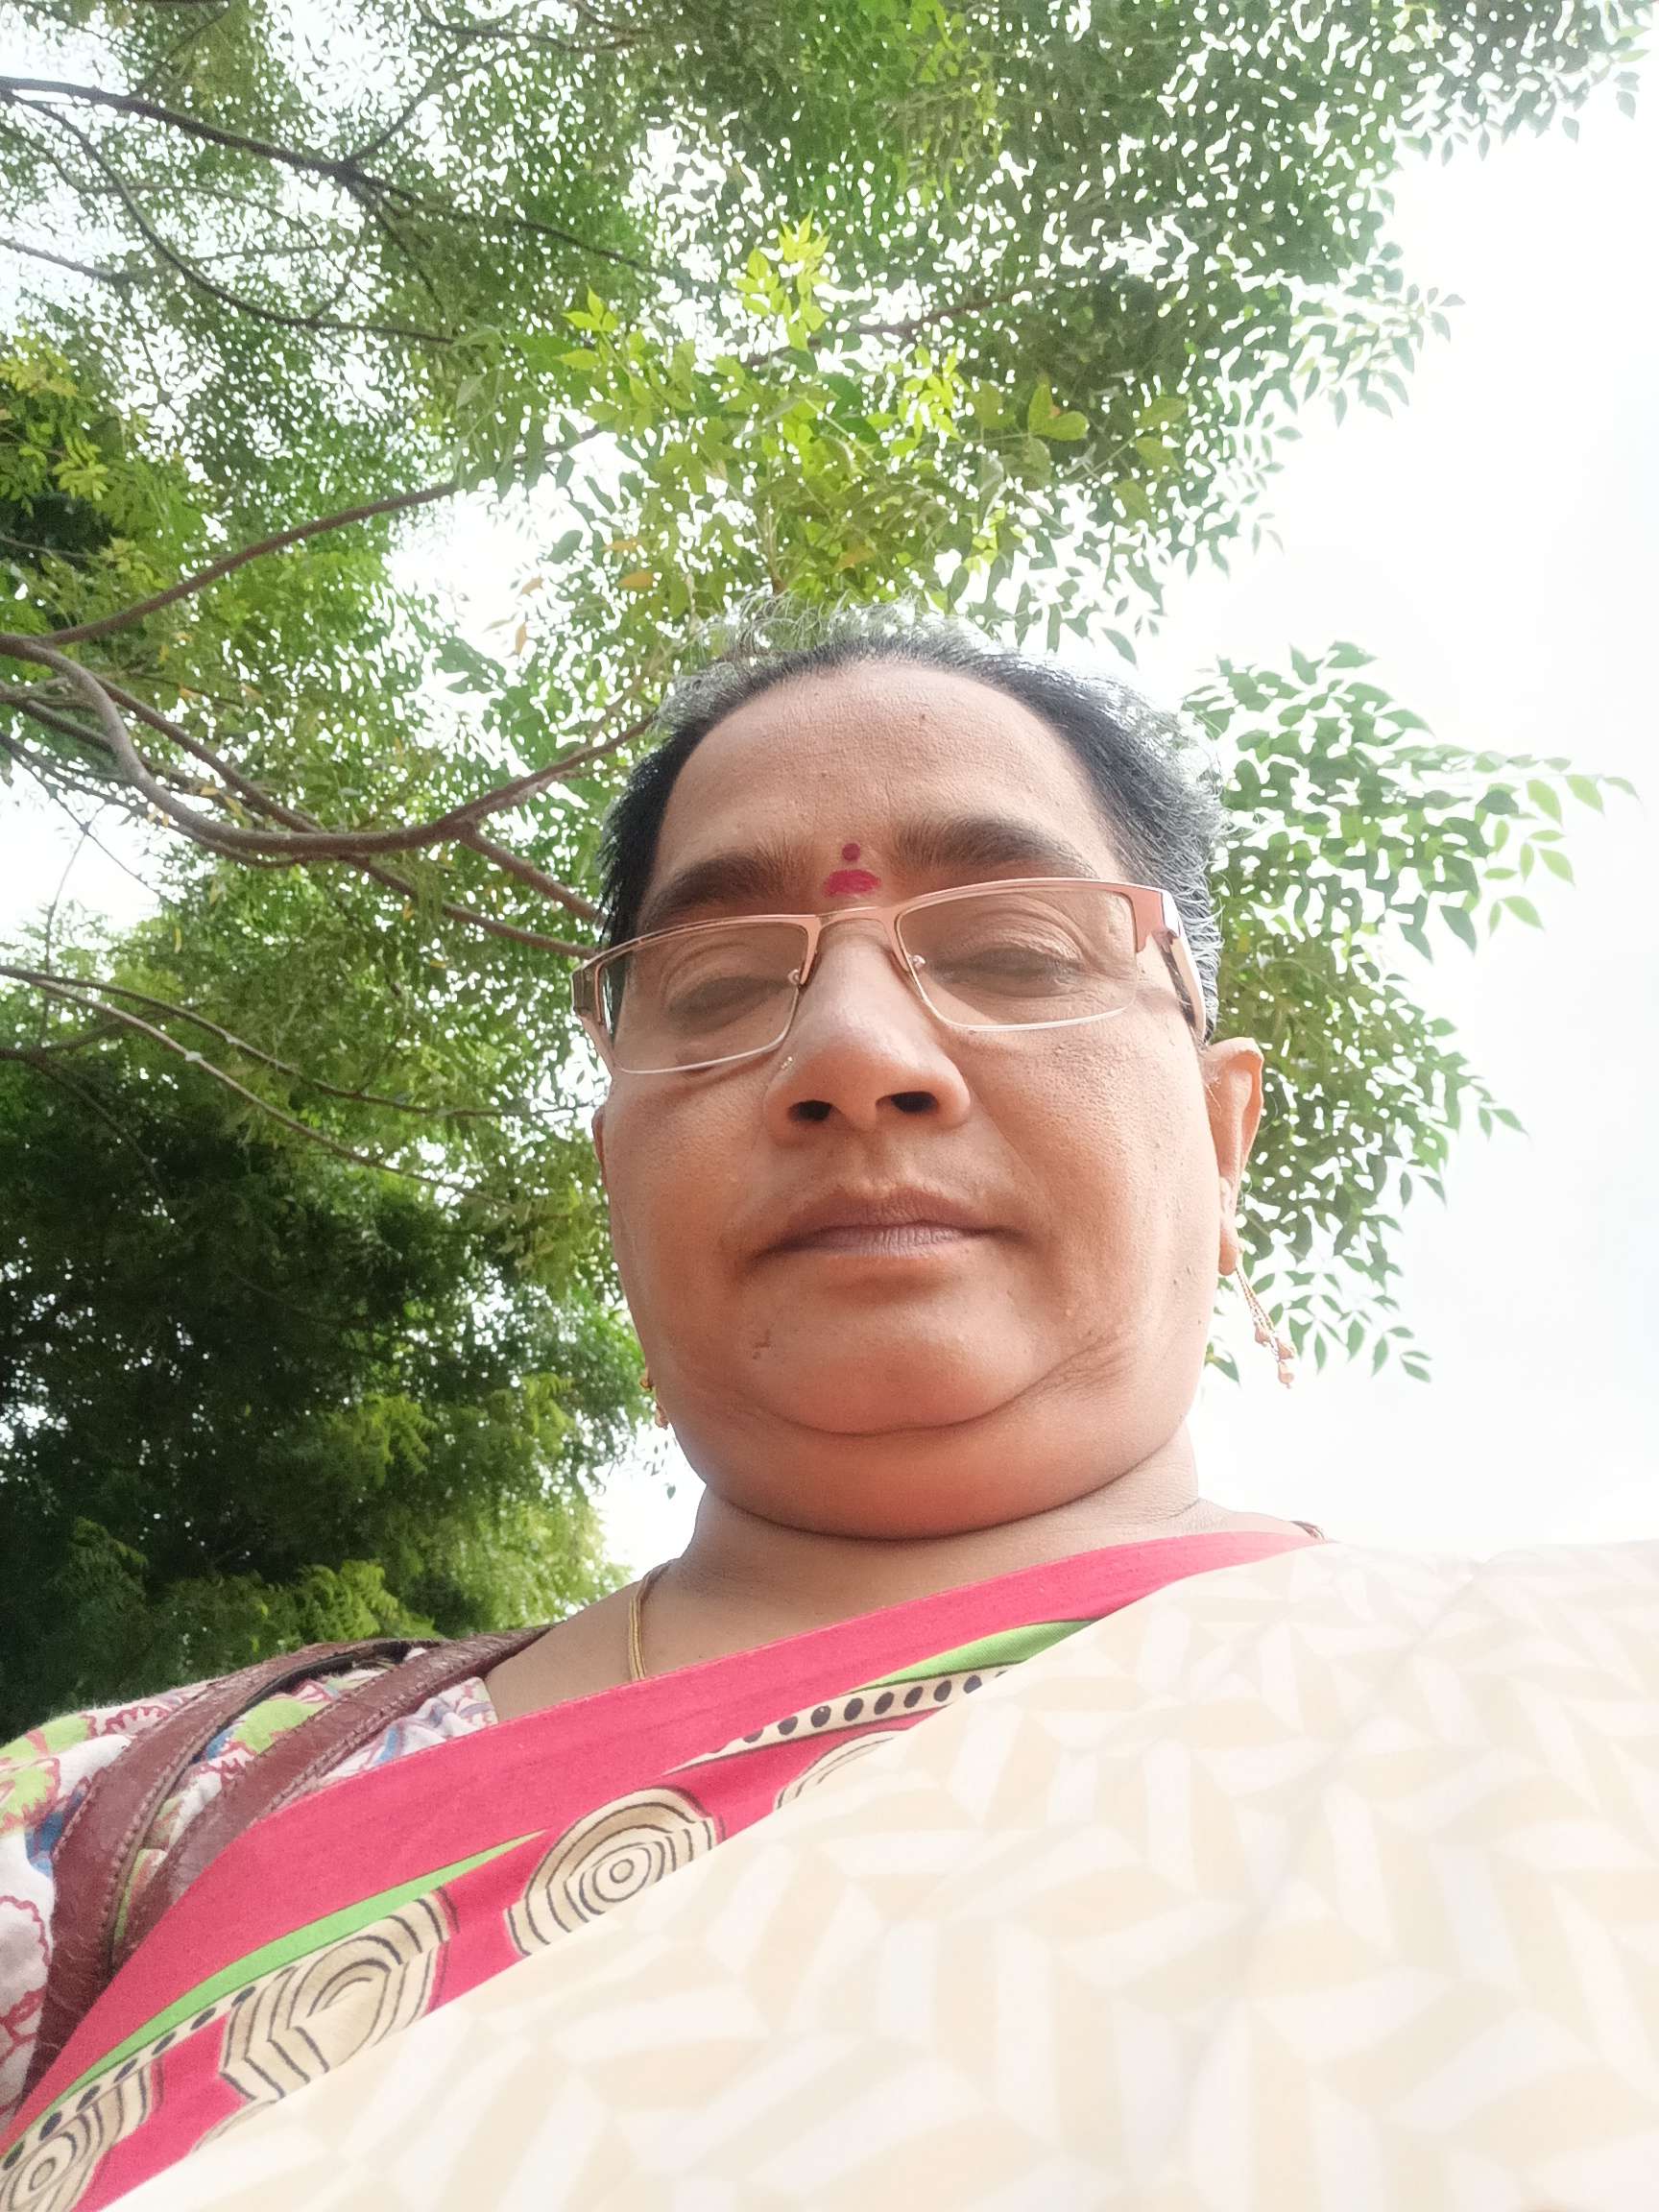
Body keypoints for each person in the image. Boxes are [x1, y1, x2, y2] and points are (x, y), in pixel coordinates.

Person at [0, 604, 1424, 2203]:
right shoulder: (119, 1821)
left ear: (1222, 1135)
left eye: (1012, 951)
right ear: (619, 1173)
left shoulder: (1513, 1712)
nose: (854, 1052)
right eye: (725, 984)